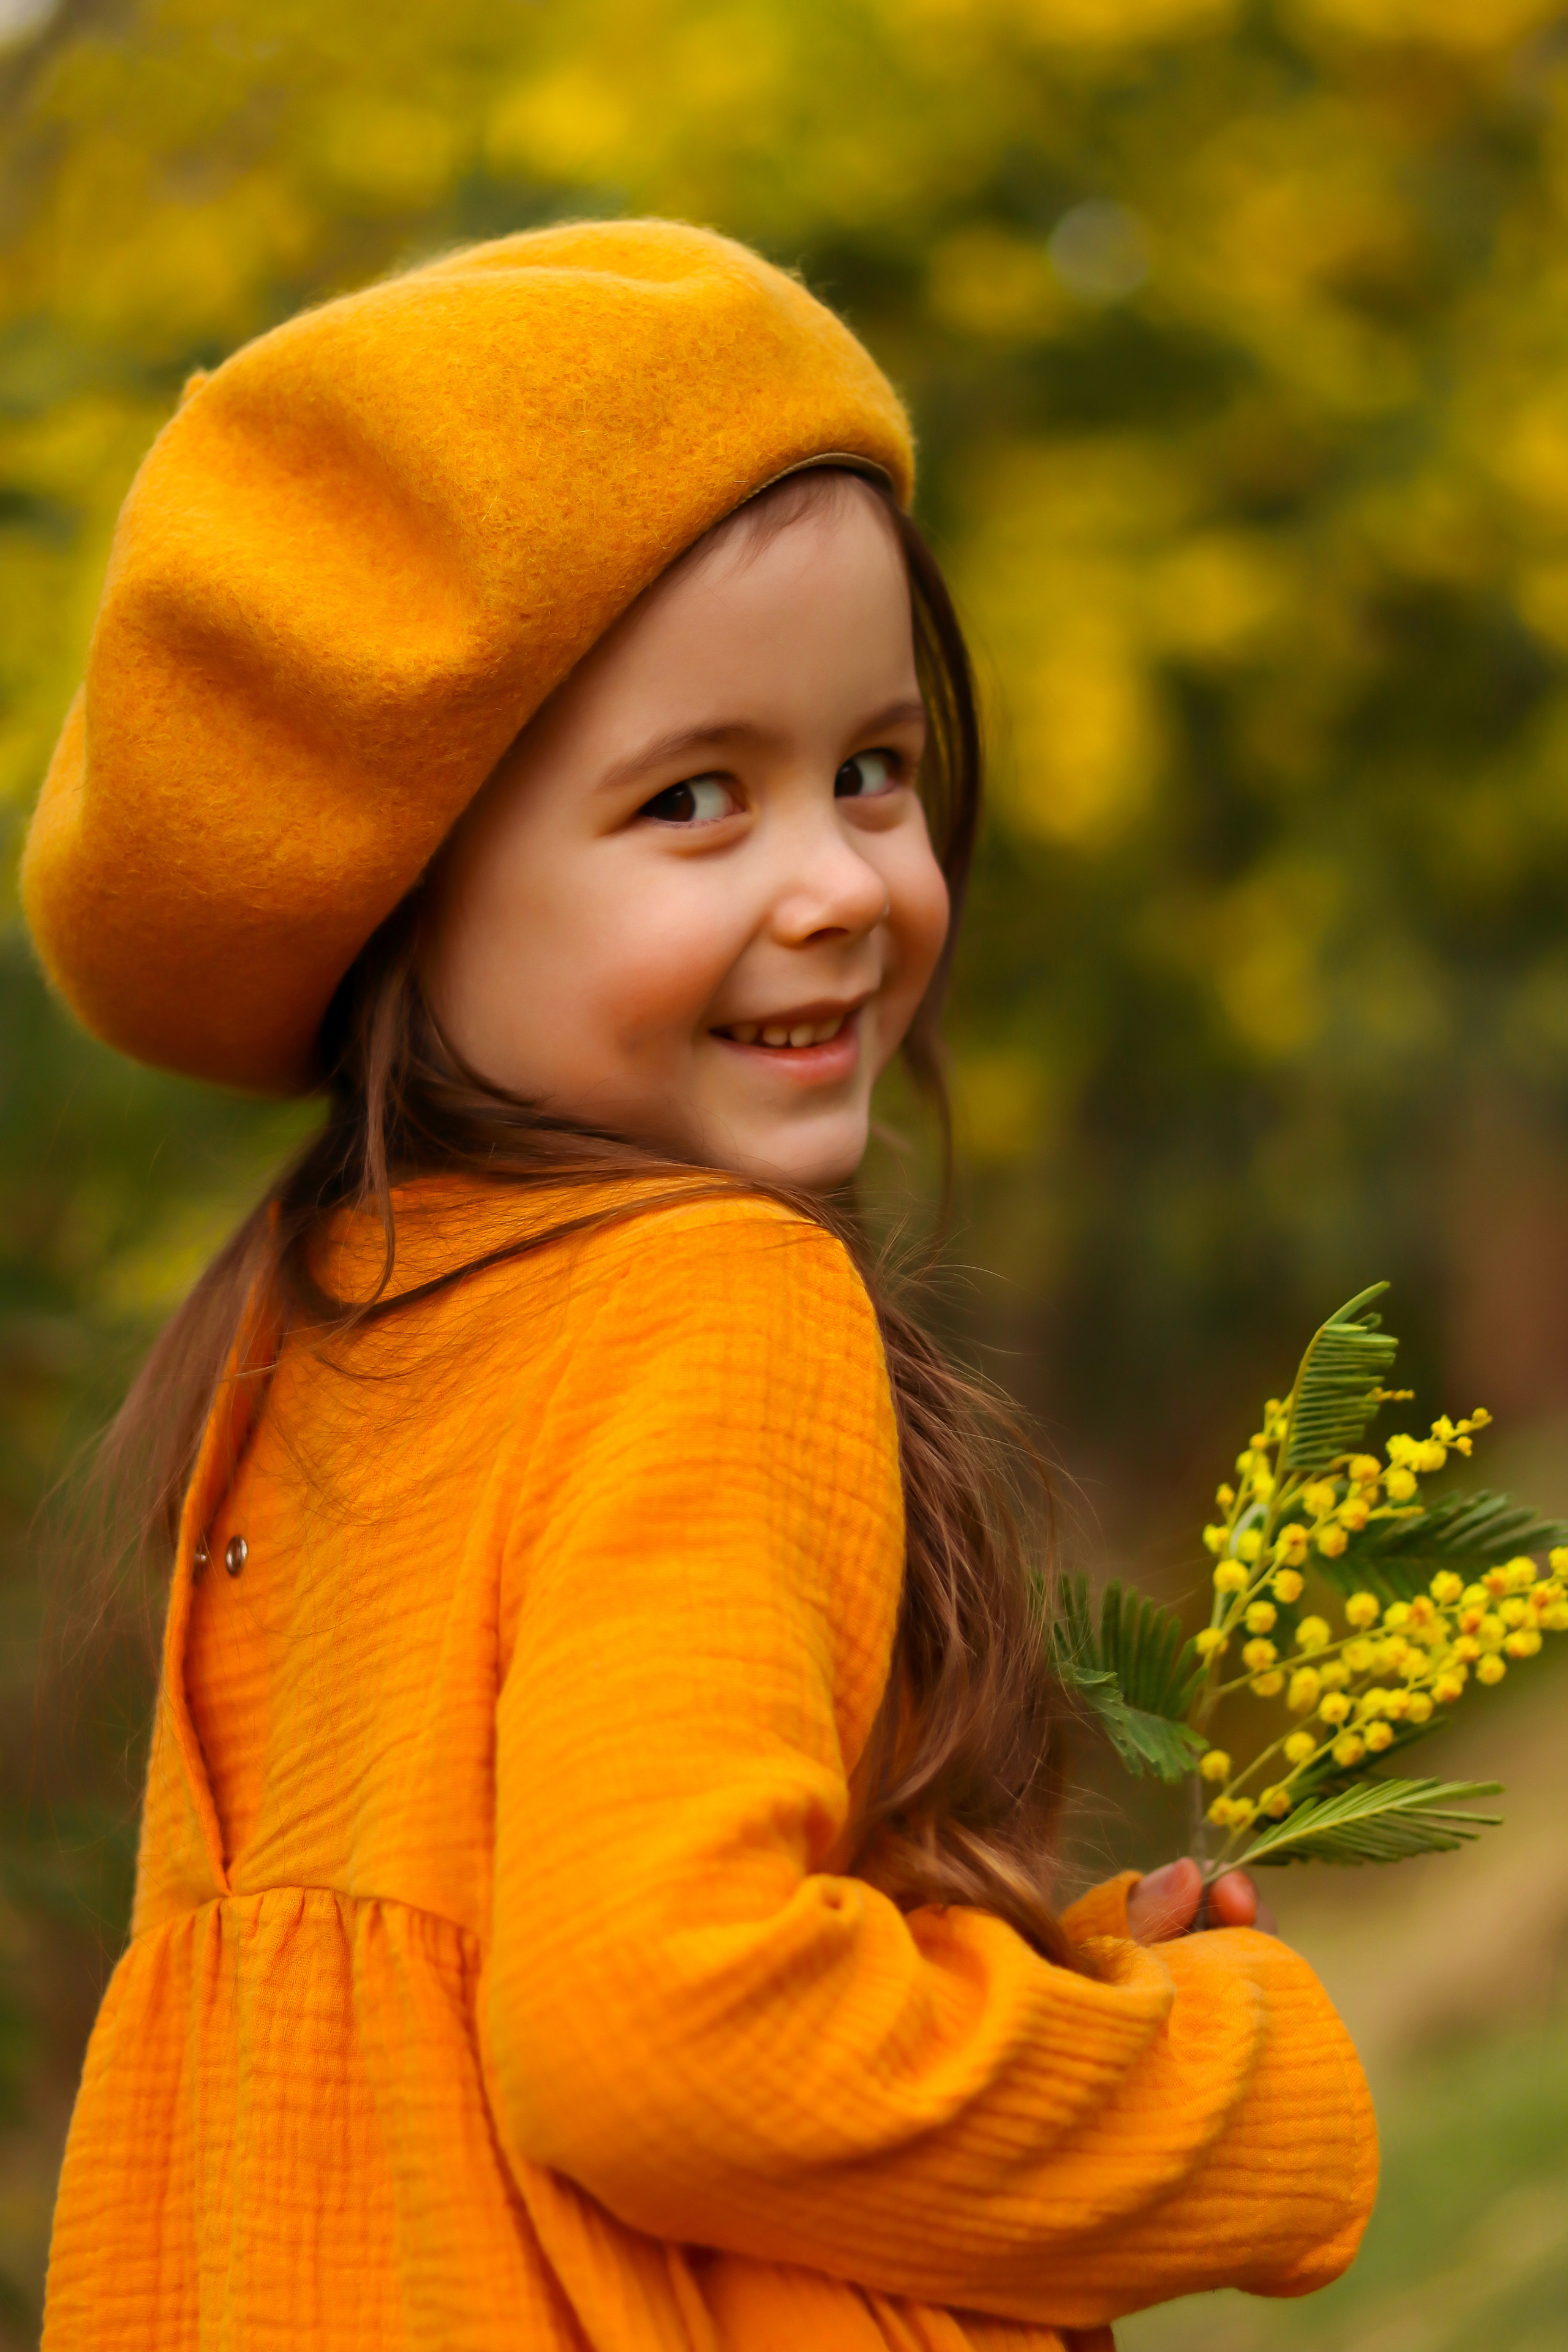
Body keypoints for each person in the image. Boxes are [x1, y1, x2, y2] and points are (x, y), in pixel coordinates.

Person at [22, 219, 1375, 2351]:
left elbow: (482, 2025)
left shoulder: (330, 1326)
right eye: (693, 801)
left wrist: (1022, 1981)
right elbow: (667, 2040)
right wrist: (1232, 2084)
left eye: (872, 768)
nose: (839, 884)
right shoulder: (704, 1301)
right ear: (406, 891)